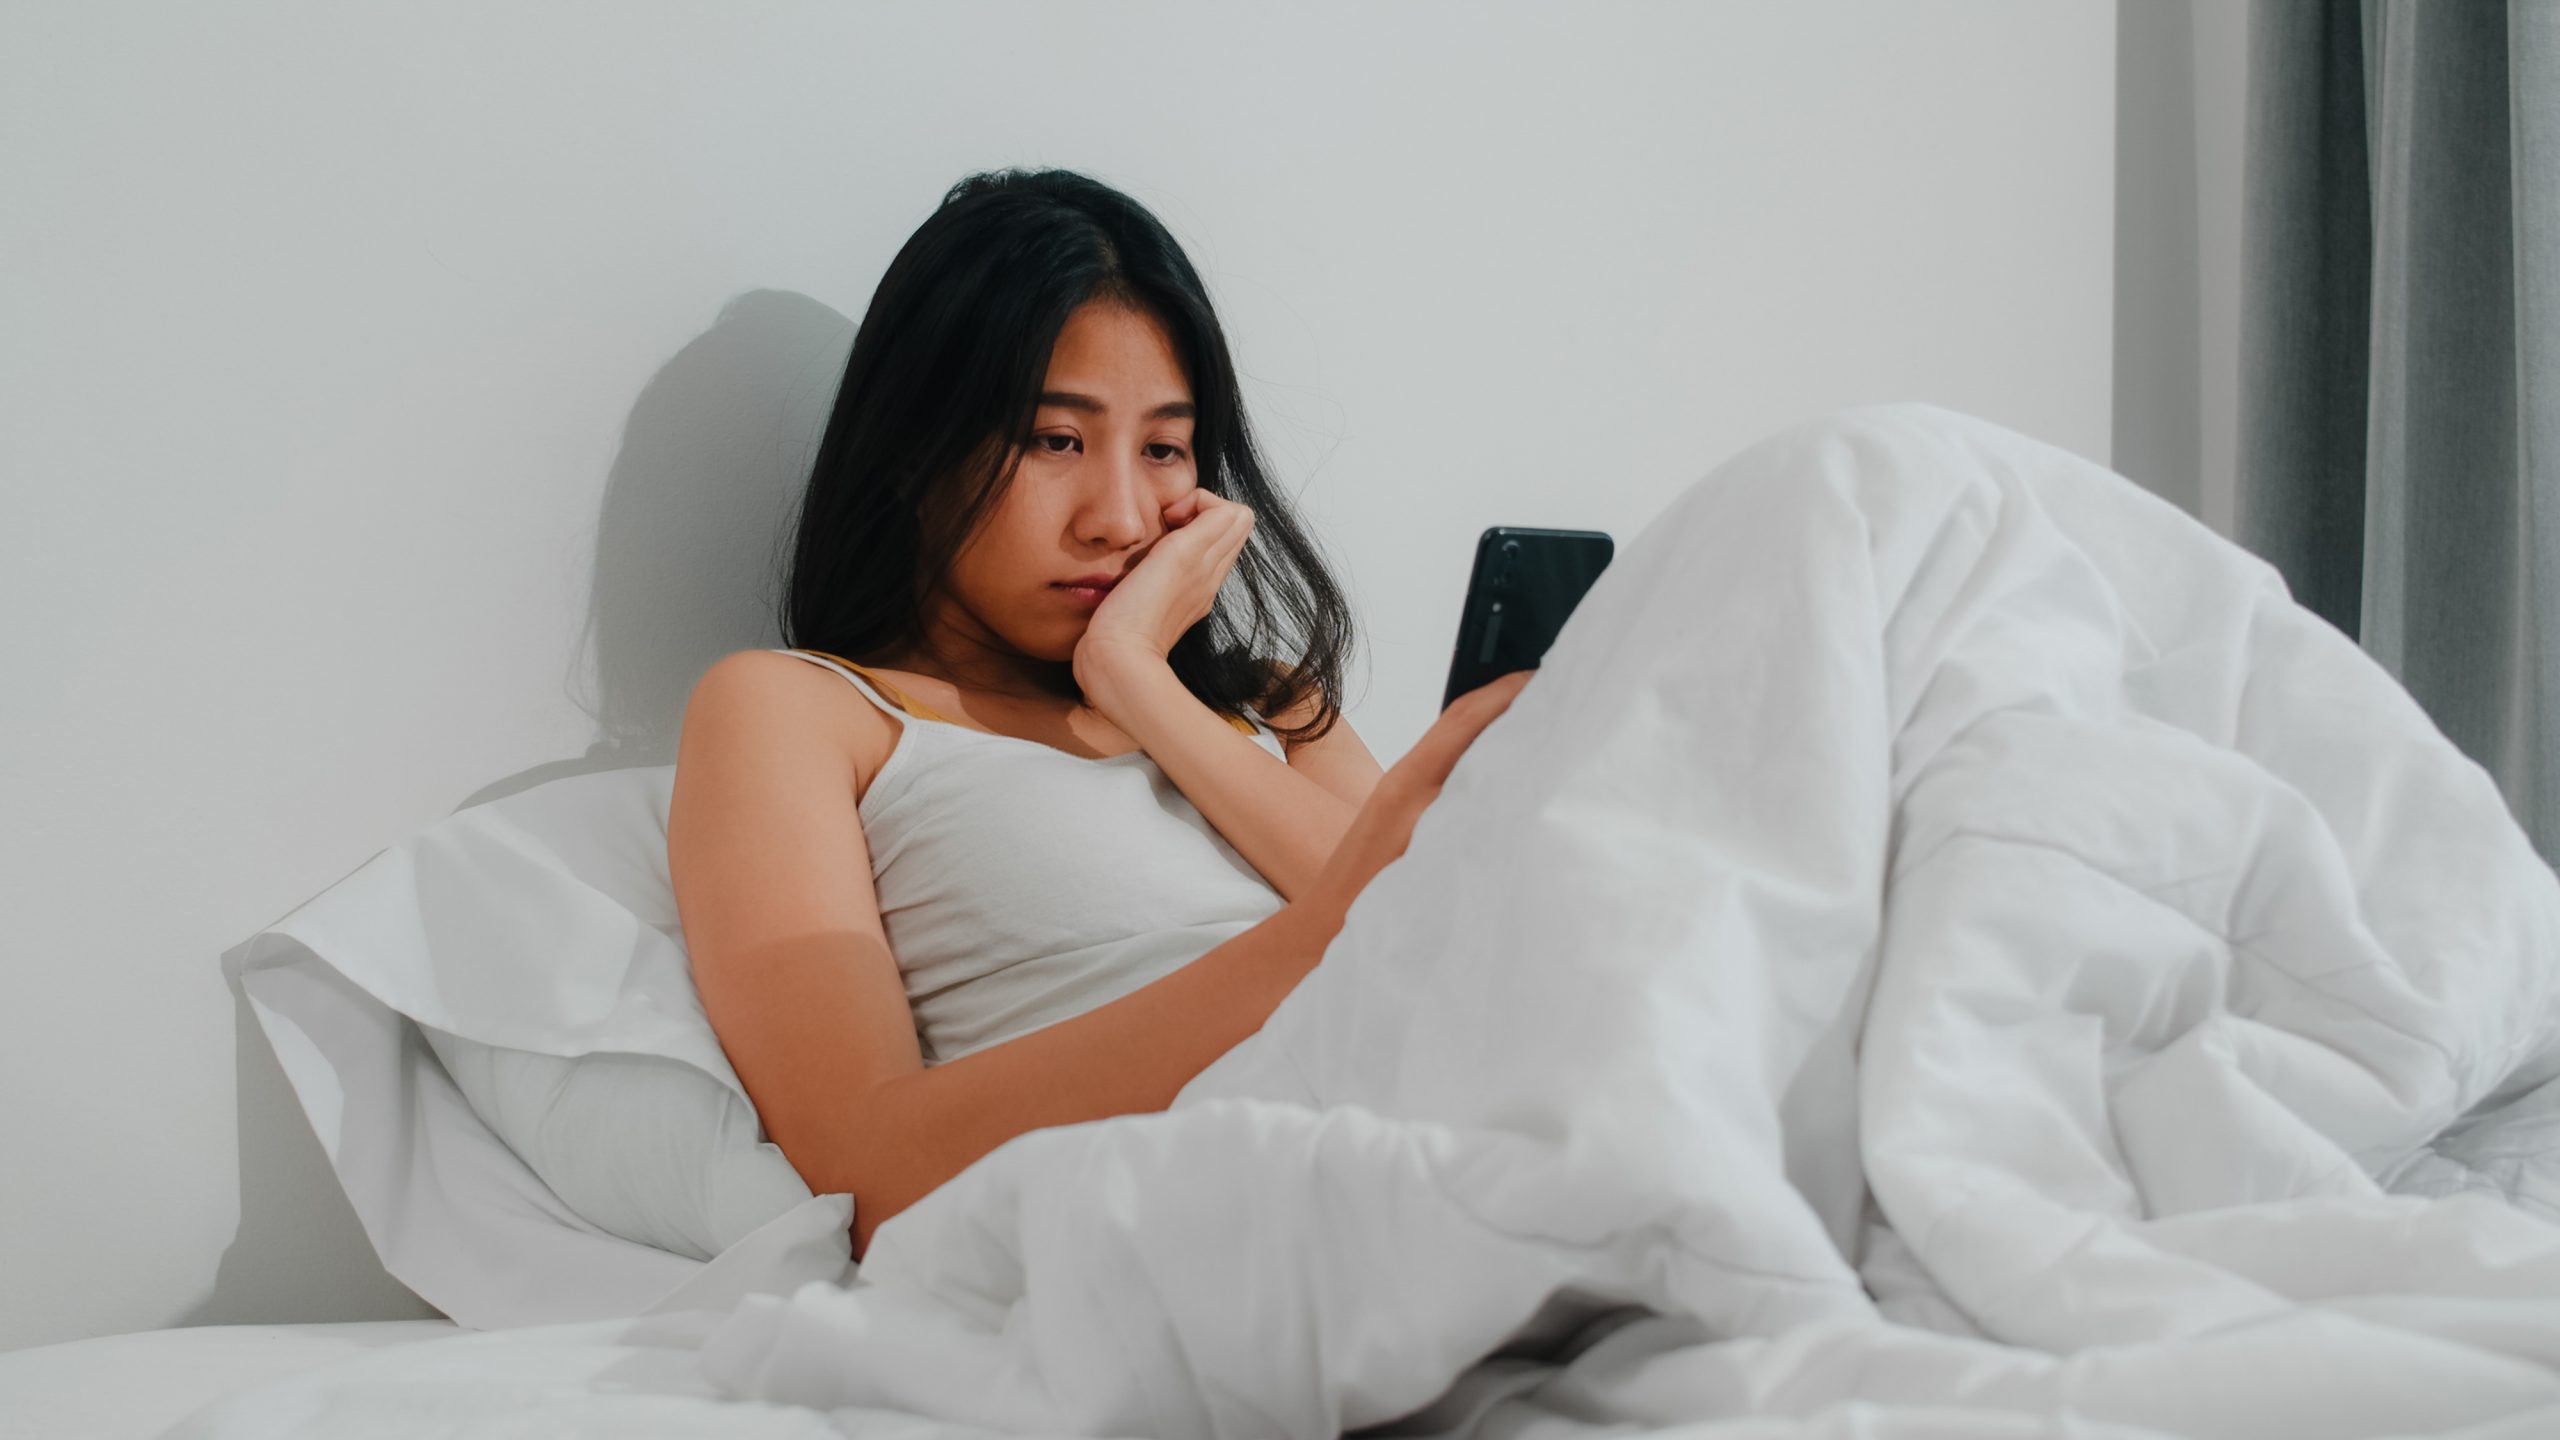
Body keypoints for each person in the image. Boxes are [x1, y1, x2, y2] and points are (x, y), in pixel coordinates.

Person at [667, 167, 1531, 1258]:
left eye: (1163, 449)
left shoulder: (1270, 707)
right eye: (1052, 440)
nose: (1119, 518)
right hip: (1240, 1212)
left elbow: (1440, 937)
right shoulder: (796, 713)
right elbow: (860, 1169)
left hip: (1473, 1122)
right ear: (909, 454)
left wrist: (1140, 682)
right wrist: (1316, 949)